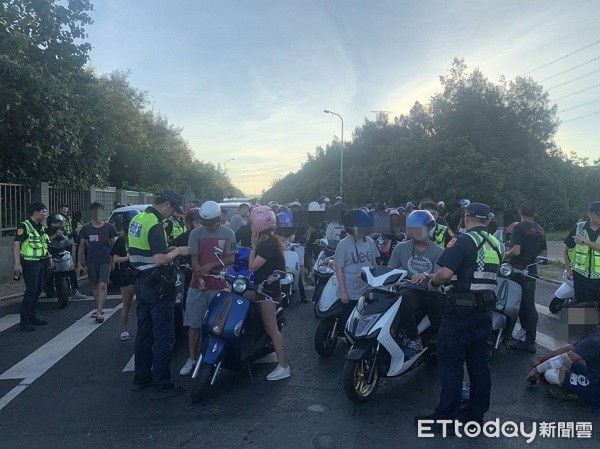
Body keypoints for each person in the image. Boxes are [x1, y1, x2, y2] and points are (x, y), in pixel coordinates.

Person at [417, 203, 503, 429]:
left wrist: (433, 283)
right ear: (487, 220)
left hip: (459, 313)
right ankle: (475, 414)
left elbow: (445, 274)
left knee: (451, 364)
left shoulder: (464, 240)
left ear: (467, 217)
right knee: (479, 366)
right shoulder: (497, 244)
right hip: (484, 313)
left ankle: (445, 418)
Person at [129, 189, 191, 398]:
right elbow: (159, 259)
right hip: (158, 285)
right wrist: (177, 251)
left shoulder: (137, 219)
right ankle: (162, 384)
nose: (172, 214)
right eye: (172, 210)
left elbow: (142, 250)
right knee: (164, 335)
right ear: (166, 204)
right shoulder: (155, 225)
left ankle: (141, 378)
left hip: (141, 282)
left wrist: (167, 246)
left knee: (144, 333)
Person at [180, 201, 237, 376]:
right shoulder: (195, 233)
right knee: (194, 324)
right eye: (205, 223)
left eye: (211, 223)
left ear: (219, 218)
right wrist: (199, 276)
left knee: (217, 326)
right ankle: (191, 358)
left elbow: (230, 258)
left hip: (220, 285)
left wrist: (211, 266)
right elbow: (194, 258)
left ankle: (213, 359)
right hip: (197, 285)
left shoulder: (228, 233)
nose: (208, 227)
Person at [388, 210, 444, 357]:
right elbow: (390, 269)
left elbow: (440, 274)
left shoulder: (438, 251)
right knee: (403, 296)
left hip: (429, 290)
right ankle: (413, 337)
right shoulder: (400, 248)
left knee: (440, 310)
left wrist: (425, 275)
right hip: (407, 288)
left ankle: (437, 341)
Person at [246, 206, 291, 381]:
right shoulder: (269, 241)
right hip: (260, 289)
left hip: (268, 293)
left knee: (272, 329)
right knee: (238, 296)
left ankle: (283, 366)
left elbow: (252, 266)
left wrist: (253, 246)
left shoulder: (267, 245)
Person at [526, 306, 599, 407]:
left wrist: (536, 370)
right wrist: (542, 360)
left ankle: (579, 395)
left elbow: (564, 358)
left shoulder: (592, 341)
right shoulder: (594, 333)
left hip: (597, 386)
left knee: (550, 374)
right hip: (594, 373)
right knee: (572, 363)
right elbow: (568, 349)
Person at [504, 201, 548, 353]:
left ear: (520, 212)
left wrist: (505, 256)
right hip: (531, 271)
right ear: (535, 214)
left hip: (516, 269)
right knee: (528, 305)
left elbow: (515, 251)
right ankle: (525, 335)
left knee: (511, 303)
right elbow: (544, 255)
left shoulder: (519, 227)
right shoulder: (541, 230)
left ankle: (528, 342)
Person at [13, 202, 51, 331]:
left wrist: (48, 257)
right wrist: (17, 263)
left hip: (40, 261)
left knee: (38, 289)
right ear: (35, 213)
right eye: (44, 212)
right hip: (29, 263)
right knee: (31, 291)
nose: (45, 214)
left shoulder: (40, 227)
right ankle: (24, 322)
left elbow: (43, 243)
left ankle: (33, 317)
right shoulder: (24, 226)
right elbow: (16, 244)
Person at [77, 202, 117, 323]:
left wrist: (114, 260)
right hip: (92, 261)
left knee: (103, 284)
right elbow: (82, 246)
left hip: (105, 260)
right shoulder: (86, 228)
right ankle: (99, 306)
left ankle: (99, 312)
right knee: (94, 286)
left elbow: (114, 244)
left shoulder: (110, 227)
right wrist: (79, 263)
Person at [334, 209, 380, 313]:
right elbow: (339, 269)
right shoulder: (343, 245)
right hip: (350, 292)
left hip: (367, 290)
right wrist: (343, 292)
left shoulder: (369, 241)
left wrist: (376, 283)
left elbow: (374, 263)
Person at [564, 201, 600, 307]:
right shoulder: (578, 228)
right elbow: (567, 249)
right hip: (581, 278)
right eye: (598, 214)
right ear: (590, 213)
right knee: (582, 309)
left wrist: (585, 241)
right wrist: (569, 269)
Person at [110, 210, 139, 341]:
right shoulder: (121, 240)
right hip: (126, 275)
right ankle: (124, 330)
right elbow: (115, 259)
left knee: (143, 304)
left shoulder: (141, 237)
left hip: (141, 274)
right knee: (127, 304)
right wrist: (128, 257)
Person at [45, 214, 86, 300]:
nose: (57, 225)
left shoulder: (63, 230)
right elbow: (45, 240)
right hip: (50, 254)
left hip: (63, 253)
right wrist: (55, 235)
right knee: (47, 272)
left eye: (58, 223)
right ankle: (47, 289)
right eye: (54, 223)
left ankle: (75, 290)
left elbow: (68, 240)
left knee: (72, 270)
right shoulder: (46, 231)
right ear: (50, 223)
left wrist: (62, 235)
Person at [274, 212, 308, 303]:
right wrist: (283, 239)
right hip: (280, 251)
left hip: (291, 250)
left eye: (284, 223)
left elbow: (291, 239)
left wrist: (280, 239)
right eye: (281, 223)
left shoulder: (292, 228)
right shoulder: (275, 229)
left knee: (296, 272)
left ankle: (303, 295)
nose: (282, 225)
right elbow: (275, 237)